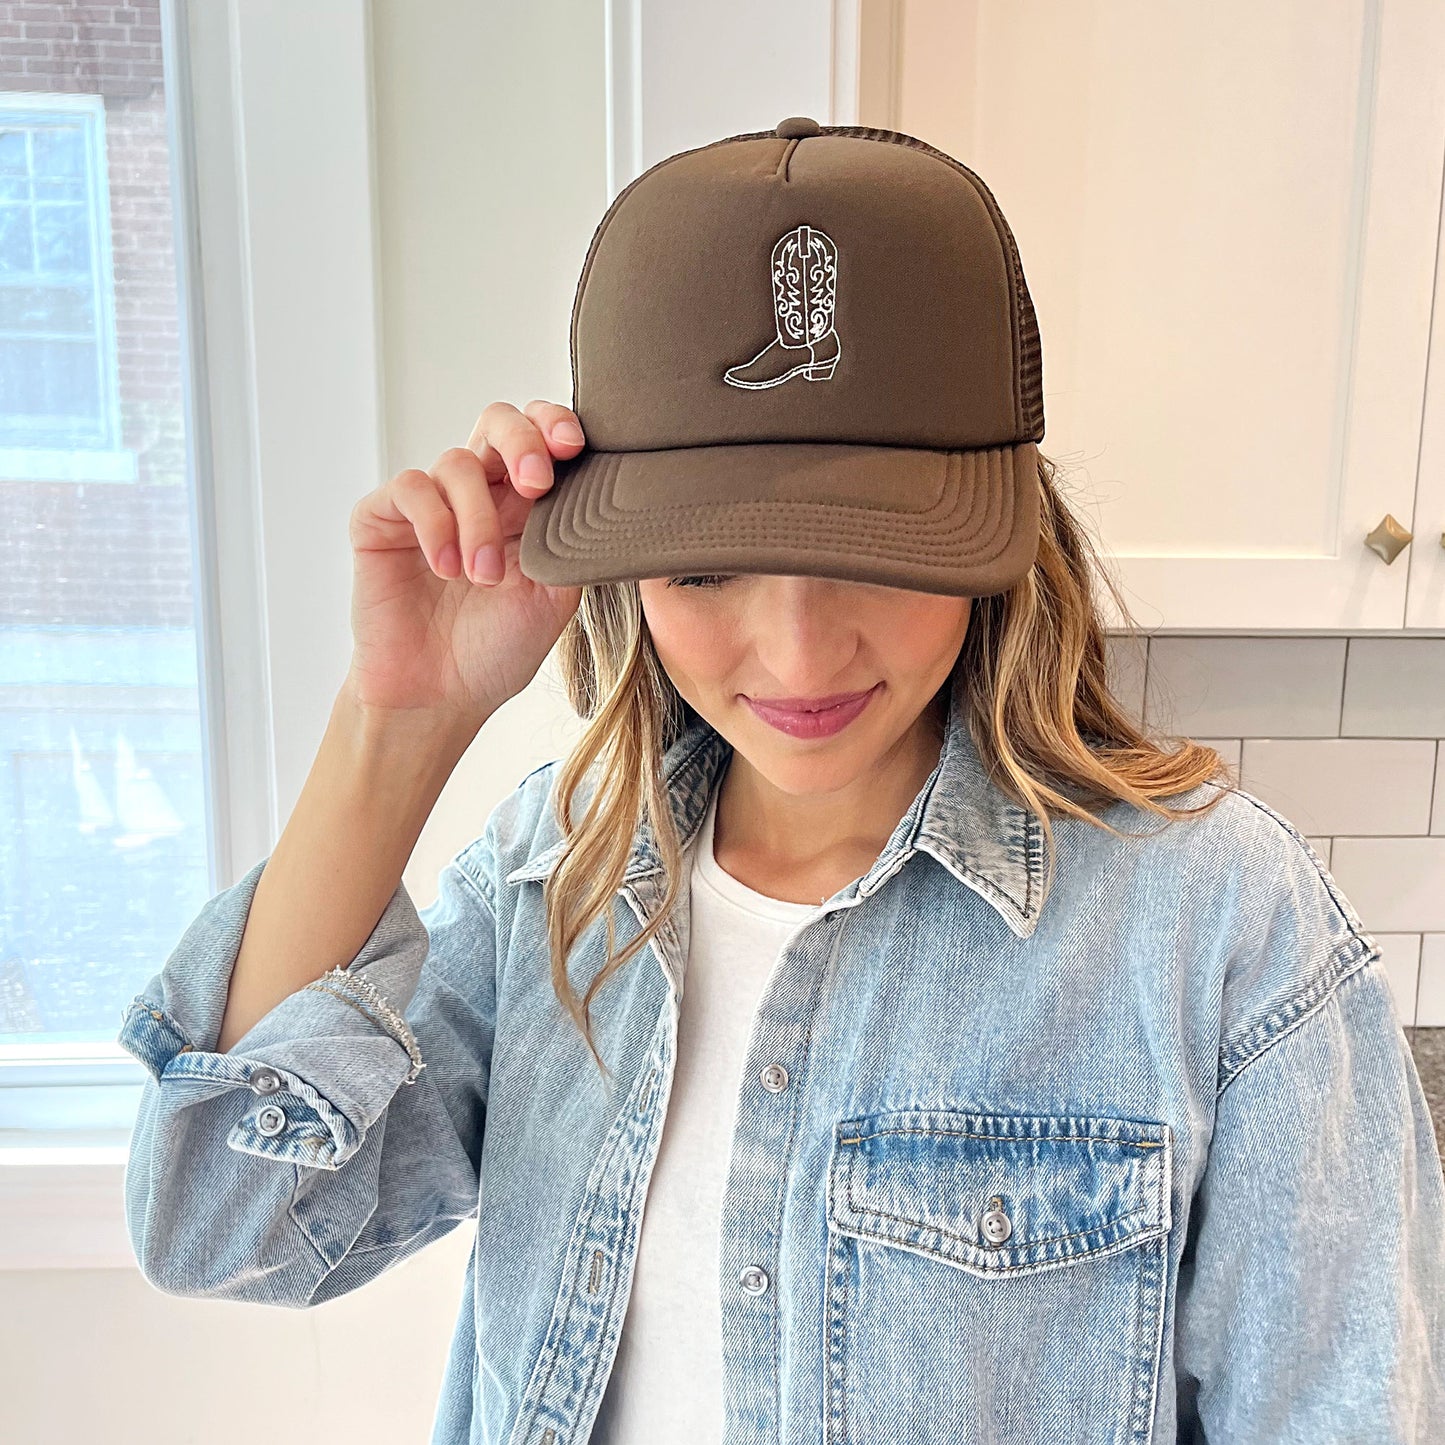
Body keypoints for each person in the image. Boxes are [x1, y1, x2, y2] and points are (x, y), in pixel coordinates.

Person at [119, 120, 1445, 1445]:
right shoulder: (561, 873)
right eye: (704, 569)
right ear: (617, 566)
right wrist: (400, 722)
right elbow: (227, 1227)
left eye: (877, 551)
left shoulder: (1212, 917)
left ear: (1001, 531)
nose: (799, 651)